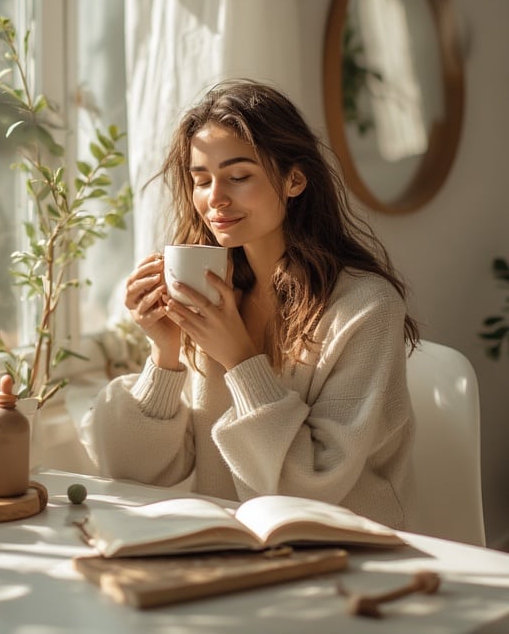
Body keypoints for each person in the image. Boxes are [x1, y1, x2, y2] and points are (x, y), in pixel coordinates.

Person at [81, 78, 419, 529]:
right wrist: (165, 355)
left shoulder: (366, 308)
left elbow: (311, 488)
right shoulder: (212, 295)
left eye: (238, 177)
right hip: (234, 549)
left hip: (342, 552)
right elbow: (133, 473)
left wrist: (240, 359)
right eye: (201, 180)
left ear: (294, 179)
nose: (215, 199)